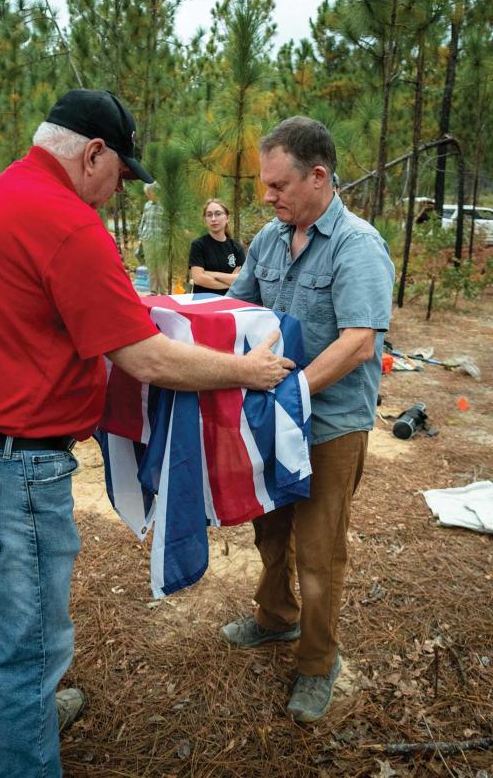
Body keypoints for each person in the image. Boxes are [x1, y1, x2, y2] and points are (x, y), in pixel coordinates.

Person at [0, 88, 294, 778]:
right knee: (30, 647)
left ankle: (30, 706)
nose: (114, 192)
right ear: (92, 152)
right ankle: (27, 737)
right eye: (119, 175)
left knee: (17, 623)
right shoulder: (64, 221)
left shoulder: (10, 190)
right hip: (11, 470)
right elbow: (146, 357)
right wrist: (243, 371)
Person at [220, 116, 395, 723]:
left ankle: (319, 662)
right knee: (269, 529)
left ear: (318, 176)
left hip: (329, 426)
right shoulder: (271, 238)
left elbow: (358, 343)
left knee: (318, 550)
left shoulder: (358, 245)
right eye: (266, 187)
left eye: (278, 186)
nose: (267, 198)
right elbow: (238, 305)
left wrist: (291, 391)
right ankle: (276, 620)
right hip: (271, 417)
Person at [189, 198, 246, 295]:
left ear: (227, 218)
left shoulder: (236, 248)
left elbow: (243, 280)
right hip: (203, 302)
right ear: (205, 220)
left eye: (218, 214)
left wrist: (210, 274)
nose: (213, 219)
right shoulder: (198, 245)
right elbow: (198, 279)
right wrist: (230, 282)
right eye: (209, 215)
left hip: (230, 300)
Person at [138, 181, 168, 294]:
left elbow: (169, 224)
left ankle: (164, 292)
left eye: (150, 193)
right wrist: (140, 236)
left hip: (161, 240)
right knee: (151, 266)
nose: (148, 195)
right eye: (147, 193)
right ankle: (153, 292)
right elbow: (143, 221)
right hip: (147, 239)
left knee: (161, 267)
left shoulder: (164, 205)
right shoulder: (147, 205)